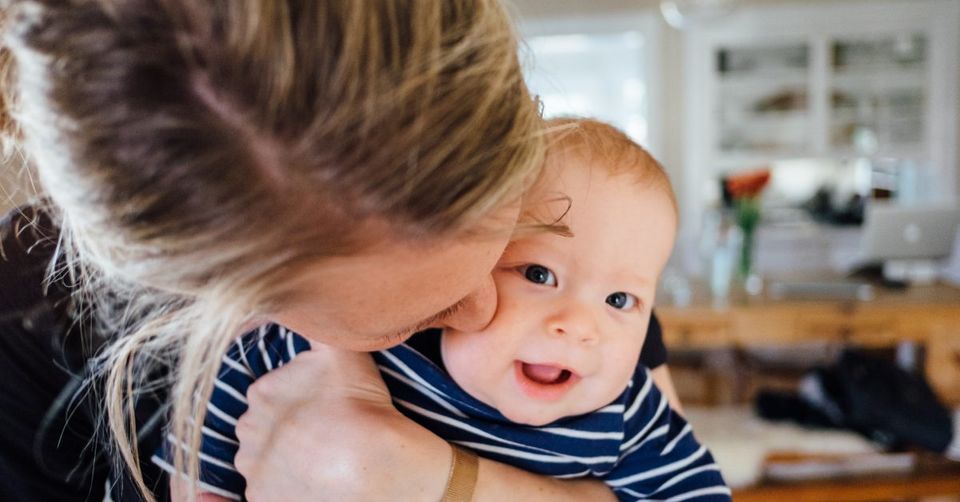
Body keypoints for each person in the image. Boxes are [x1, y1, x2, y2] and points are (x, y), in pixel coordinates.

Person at [0, 2, 682, 501]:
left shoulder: (574, 252)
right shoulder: (22, 347)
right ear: (227, 300)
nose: (486, 308)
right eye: (417, 315)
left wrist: (437, 482)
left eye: (510, 252)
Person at [171, 119, 729, 501]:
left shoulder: (628, 411)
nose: (579, 325)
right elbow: (231, 379)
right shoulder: (380, 339)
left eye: (619, 301)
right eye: (538, 275)